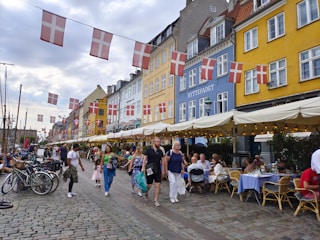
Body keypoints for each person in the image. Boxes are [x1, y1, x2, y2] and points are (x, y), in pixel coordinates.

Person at [141, 137, 166, 207]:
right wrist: (143, 167)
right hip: (150, 169)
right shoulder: (148, 150)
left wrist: (163, 170)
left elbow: (163, 161)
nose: (159, 143)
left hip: (158, 169)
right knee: (149, 185)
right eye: (157, 142)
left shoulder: (160, 151)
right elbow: (145, 159)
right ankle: (146, 192)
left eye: (159, 142)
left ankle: (156, 200)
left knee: (157, 185)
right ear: (154, 142)